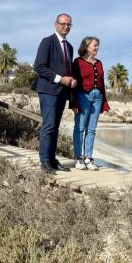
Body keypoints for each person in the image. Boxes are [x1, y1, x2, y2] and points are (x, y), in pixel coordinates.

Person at [32, 14, 76, 174]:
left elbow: (66, 68)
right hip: (48, 91)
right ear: (55, 24)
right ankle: (44, 162)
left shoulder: (69, 47)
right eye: (63, 24)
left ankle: (52, 160)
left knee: (55, 127)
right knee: (48, 126)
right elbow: (39, 66)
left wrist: (71, 81)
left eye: (69, 24)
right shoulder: (47, 41)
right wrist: (60, 79)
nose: (66, 27)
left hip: (62, 93)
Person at [71, 36, 110, 171]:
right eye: (95, 45)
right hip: (82, 96)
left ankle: (88, 157)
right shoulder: (77, 62)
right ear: (87, 47)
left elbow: (102, 84)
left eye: (97, 46)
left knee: (92, 129)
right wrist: (73, 103)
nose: (97, 48)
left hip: (97, 97)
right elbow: (73, 84)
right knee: (80, 128)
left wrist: (105, 104)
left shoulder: (99, 63)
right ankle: (78, 157)